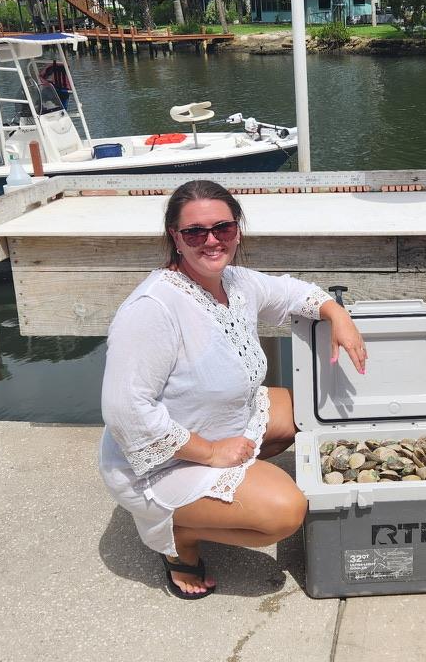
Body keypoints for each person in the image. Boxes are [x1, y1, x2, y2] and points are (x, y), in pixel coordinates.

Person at [99, 180, 366, 598]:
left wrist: (337, 314)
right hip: (160, 461)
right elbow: (125, 411)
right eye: (195, 232)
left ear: (237, 230)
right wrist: (210, 452)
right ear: (175, 238)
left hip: (223, 424)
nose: (211, 241)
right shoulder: (152, 309)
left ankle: (221, 492)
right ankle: (177, 538)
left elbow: (294, 292)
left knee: (312, 410)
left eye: (222, 228)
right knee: (286, 512)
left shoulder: (237, 282)